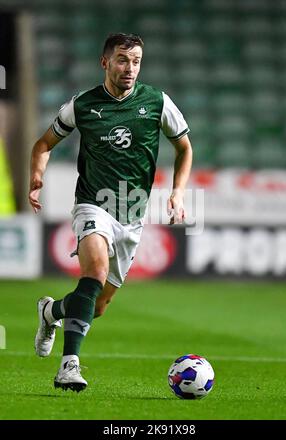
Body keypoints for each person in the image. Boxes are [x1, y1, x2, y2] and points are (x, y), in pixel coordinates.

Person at [29, 33, 193, 392]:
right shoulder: (84, 105)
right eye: (122, 60)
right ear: (105, 62)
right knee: (95, 271)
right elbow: (43, 144)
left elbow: (184, 147)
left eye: (135, 61)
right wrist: (37, 175)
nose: (129, 68)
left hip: (131, 216)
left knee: (98, 306)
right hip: (92, 204)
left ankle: (50, 312)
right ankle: (68, 366)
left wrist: (178, 194)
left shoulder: (157, 101)